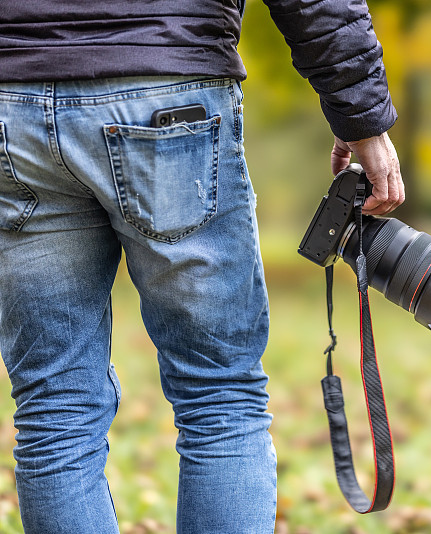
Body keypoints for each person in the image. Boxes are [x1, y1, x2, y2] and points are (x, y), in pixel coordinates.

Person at [0, 1, 403, 532]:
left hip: (13, 99)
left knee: (54, 405)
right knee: (219, 394)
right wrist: (363, 119)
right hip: (168, 82)